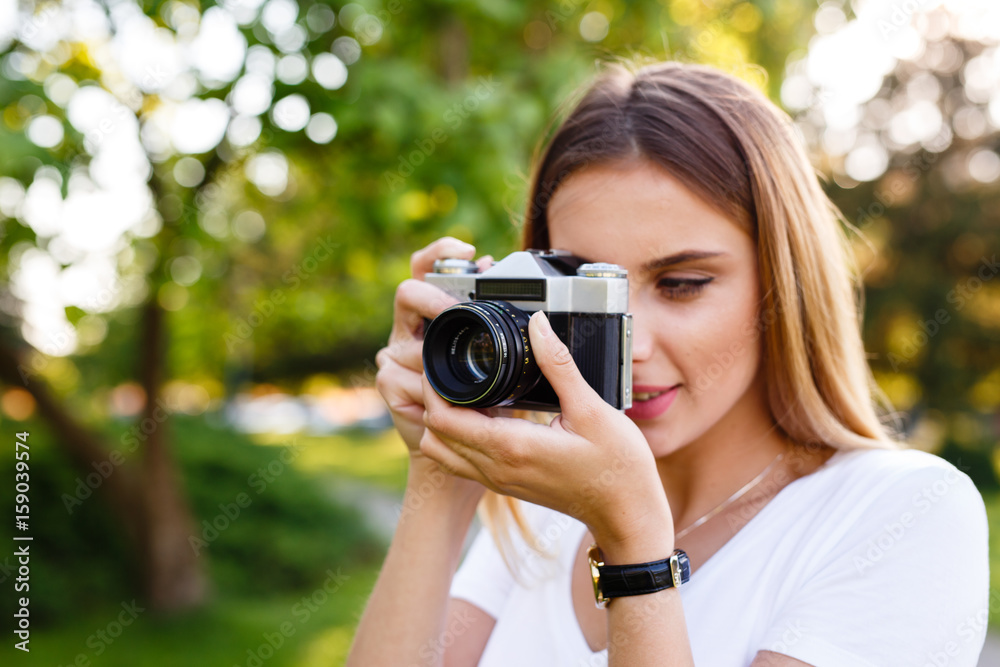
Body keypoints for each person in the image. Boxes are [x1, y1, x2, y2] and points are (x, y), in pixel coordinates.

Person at [346, 60, 991, 666]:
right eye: (588, 289)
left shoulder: (902, 513)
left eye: (681, 283)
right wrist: (442, 465)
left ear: (782, 286)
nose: (633, 343)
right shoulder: (547, 506)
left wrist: (634, 546)